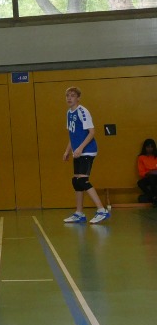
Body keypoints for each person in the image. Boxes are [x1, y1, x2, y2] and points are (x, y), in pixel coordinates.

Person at [62, 86, 110, 224]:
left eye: (72, 95)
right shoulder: (69, 113)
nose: (69, 98)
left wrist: (81, 148)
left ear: (78, 98)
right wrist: (67, 151)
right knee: (76, 181)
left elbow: (92, 132)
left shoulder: (82, 111)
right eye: (67, 96)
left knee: (83, 180)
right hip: (77, 151)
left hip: (87, 150)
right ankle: (79, 213)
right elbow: (72, 134)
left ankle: (102, 210)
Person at [137, 138, 157, 206]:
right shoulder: (141, 158)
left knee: (153, 178)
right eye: (148, 147)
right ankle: (153, 197)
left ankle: (154, 198)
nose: (150, 149)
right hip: (148, 176)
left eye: (151, 147)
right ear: (145, 148)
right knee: (140, 183)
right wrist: (150, 172)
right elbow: (141, 172)